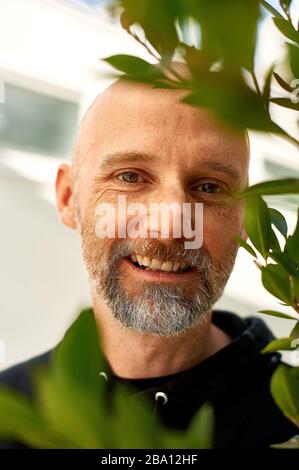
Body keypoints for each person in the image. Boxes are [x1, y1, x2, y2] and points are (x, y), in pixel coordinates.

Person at [0, 75, 297, 449]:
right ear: (68, 197)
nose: (169, 226)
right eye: (130, 177)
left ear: (247, 218)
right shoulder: (8, 414)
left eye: (209, 187)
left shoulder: (291, 418)